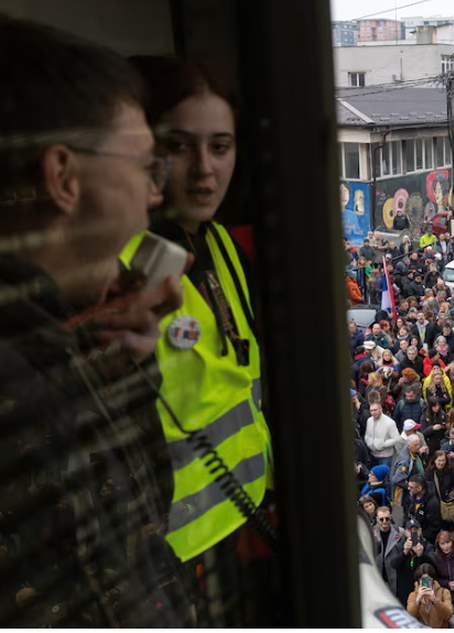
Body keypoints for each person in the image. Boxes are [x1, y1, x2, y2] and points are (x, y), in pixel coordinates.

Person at [0, 17, 191, 626]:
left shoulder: (53, 345)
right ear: (63, 177)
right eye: (143, 166)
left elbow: (134, 532)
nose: (155, 196)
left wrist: (116, 373)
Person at [127, 55, 274, 564]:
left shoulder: (223, 245)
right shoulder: (124, 274)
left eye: (220, 147)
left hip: (245, 516)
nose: (204, 169)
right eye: (179, 146)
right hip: (175, 550)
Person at [393, 519, 436, 601]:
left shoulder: (427, 546)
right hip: (404, 591)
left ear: (420, 531)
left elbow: (434, 567)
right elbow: (393, 564)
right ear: (405, 532)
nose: (413, 533)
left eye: (415, 530)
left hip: (422, 589)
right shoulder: (399, 546)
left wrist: (422, 555)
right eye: (410, 530)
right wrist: (404, 552)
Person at [406, 563, 453, 628]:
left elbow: (448, 615)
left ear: (433, 579)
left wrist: (435, 600)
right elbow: (410, 617)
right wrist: (417, 601)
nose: (425, 582)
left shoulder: (444, 592)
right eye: (422, 580)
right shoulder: (413, 595)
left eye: (427, 579)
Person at [372, 507, 405, 597]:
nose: (384, 521)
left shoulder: (400, 532)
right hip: (377, 572)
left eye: (387, 518)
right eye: (381, 519)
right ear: (377, 519)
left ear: (390, 517)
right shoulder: (372, 533)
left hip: (394, 574)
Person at [426, 451, 454, 529]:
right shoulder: (429, 472)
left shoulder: (450, 469)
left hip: (448, 501)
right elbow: (428, 487)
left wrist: (452, 494)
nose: (441, 463)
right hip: (436, 502)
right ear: (434, 460)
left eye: (443, 460)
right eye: (439, 460)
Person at [365, 401, 403, 467]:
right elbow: (367, 435)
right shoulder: (369, 421)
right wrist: (369, 443)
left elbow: (397, 438)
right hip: (372, 455)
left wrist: (383, 444)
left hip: (385, 456)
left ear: (381, 409)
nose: (373, 413)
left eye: (375, 410)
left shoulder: (390, 422)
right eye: (371, 411)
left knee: (385, 477)